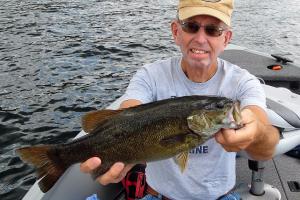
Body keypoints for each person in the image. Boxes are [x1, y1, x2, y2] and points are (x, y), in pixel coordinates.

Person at [80, 0, 280, 199]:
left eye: (213, 30)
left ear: (226, 39)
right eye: (191, 27)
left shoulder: (243, 82)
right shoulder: (150, 75)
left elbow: (267, 145)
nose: (201, 39)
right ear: (176, 31)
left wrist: (256, 134)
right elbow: (130, 110)